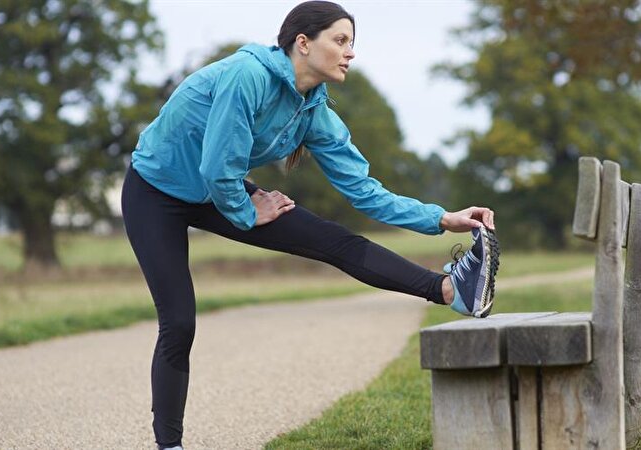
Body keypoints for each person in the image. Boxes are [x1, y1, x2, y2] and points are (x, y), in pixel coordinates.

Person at [120, 1, 500, 449]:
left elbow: (364, 191)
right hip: (155, 192)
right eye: (340, 41)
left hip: (217, 187)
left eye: (351, 44)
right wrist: (246, 211)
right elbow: (216, 165)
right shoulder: (249, 77)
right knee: (179, 322)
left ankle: (451, 291)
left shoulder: (314, 112)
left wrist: (440, 218)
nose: (349, 53)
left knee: (333, 240)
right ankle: (170, 445)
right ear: (303, 43)